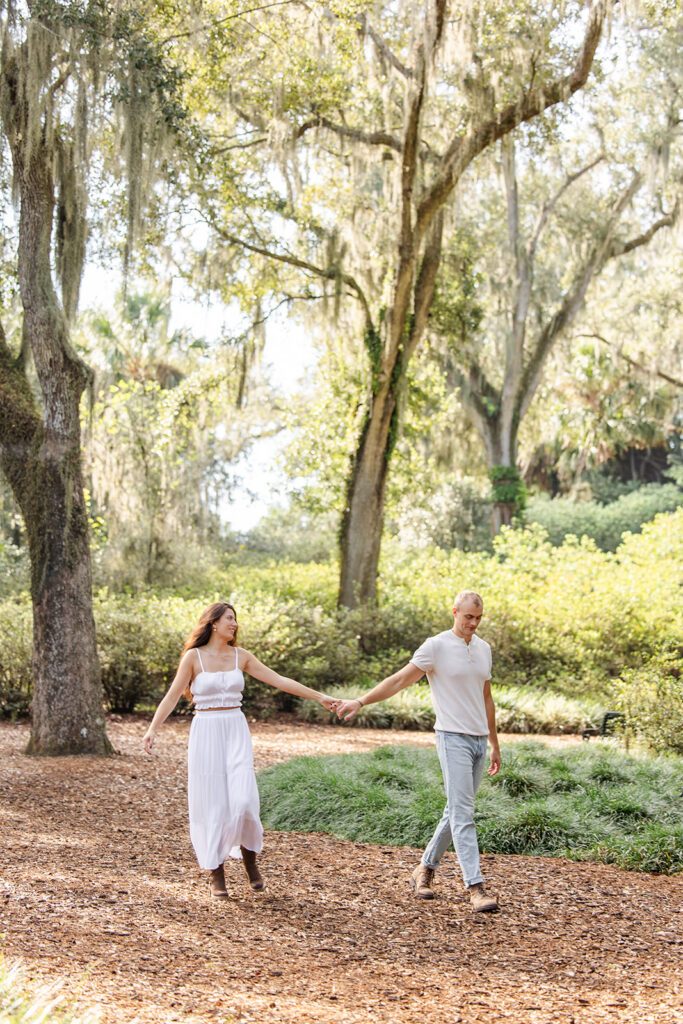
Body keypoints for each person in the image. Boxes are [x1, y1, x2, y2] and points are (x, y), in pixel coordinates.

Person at [143, 601, 339, 898]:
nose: (234, 624)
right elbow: (172, 697)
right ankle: (216, 874)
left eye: (235, 619)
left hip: (235, 729)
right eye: (229, 619)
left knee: (245, 800)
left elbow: (280, 680)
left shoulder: (241, 657)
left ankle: (250, 864)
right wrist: (152, 729)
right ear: (213, 623)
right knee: (213, 804)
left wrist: (319, 696)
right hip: (206, 731)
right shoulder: (193, 658)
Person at [335, 590, 501, 913]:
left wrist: (494, 742)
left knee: (456, 810)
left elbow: (487, 697)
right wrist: (361, 701)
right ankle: (475, 887)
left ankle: (424, 869)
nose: (473, 623)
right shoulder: (435, 646)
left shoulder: (483, 649)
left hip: (480, 742)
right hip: (452, 738)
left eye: (478, 618)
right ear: (454, 612)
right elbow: (398, 681)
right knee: (464, 813)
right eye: (468, 617)